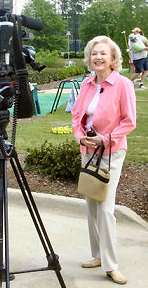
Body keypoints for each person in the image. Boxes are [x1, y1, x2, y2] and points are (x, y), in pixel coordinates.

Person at [72, 36, 136, 285]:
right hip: (88, 151)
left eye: (103, 54)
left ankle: (111, 265)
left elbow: (129, 122)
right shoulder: (87, 84)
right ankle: (97, 254)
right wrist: (81, 137)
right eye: (94, 53)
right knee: (91, 203)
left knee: (106, 208)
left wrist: (105, 139)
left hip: (111, 151)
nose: (98, 57)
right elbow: (77, 116)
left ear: (112, 58)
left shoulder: (123, 84)